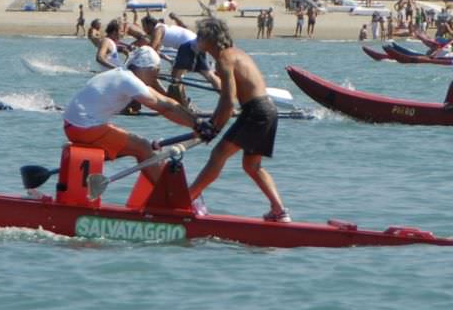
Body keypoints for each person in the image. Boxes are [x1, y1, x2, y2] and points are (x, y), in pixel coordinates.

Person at [187, 19, 290, 220]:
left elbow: (228, 101)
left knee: (218, 155)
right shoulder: (235, 53)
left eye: (200, 37)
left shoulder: (224, 58)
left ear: (209, 39)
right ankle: (279, 210)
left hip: (256, 111)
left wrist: (214, 129)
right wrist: (213, 124)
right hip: (269, 110)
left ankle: (188, 197)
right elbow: (225, 102)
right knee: (251, 165)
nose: (197, 40)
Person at [59, 47, 200, 186]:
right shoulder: (130, 81)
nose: (155, 77)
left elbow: (166, 101)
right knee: (143, 146)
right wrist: (197, 126)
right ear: (150, 69)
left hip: (72, 125)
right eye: (156, 71)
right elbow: (166, 108)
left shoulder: (121, 74)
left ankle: (87, 149)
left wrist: (197, 122)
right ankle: (168, 193)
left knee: (136, 144)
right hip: (86, 128)